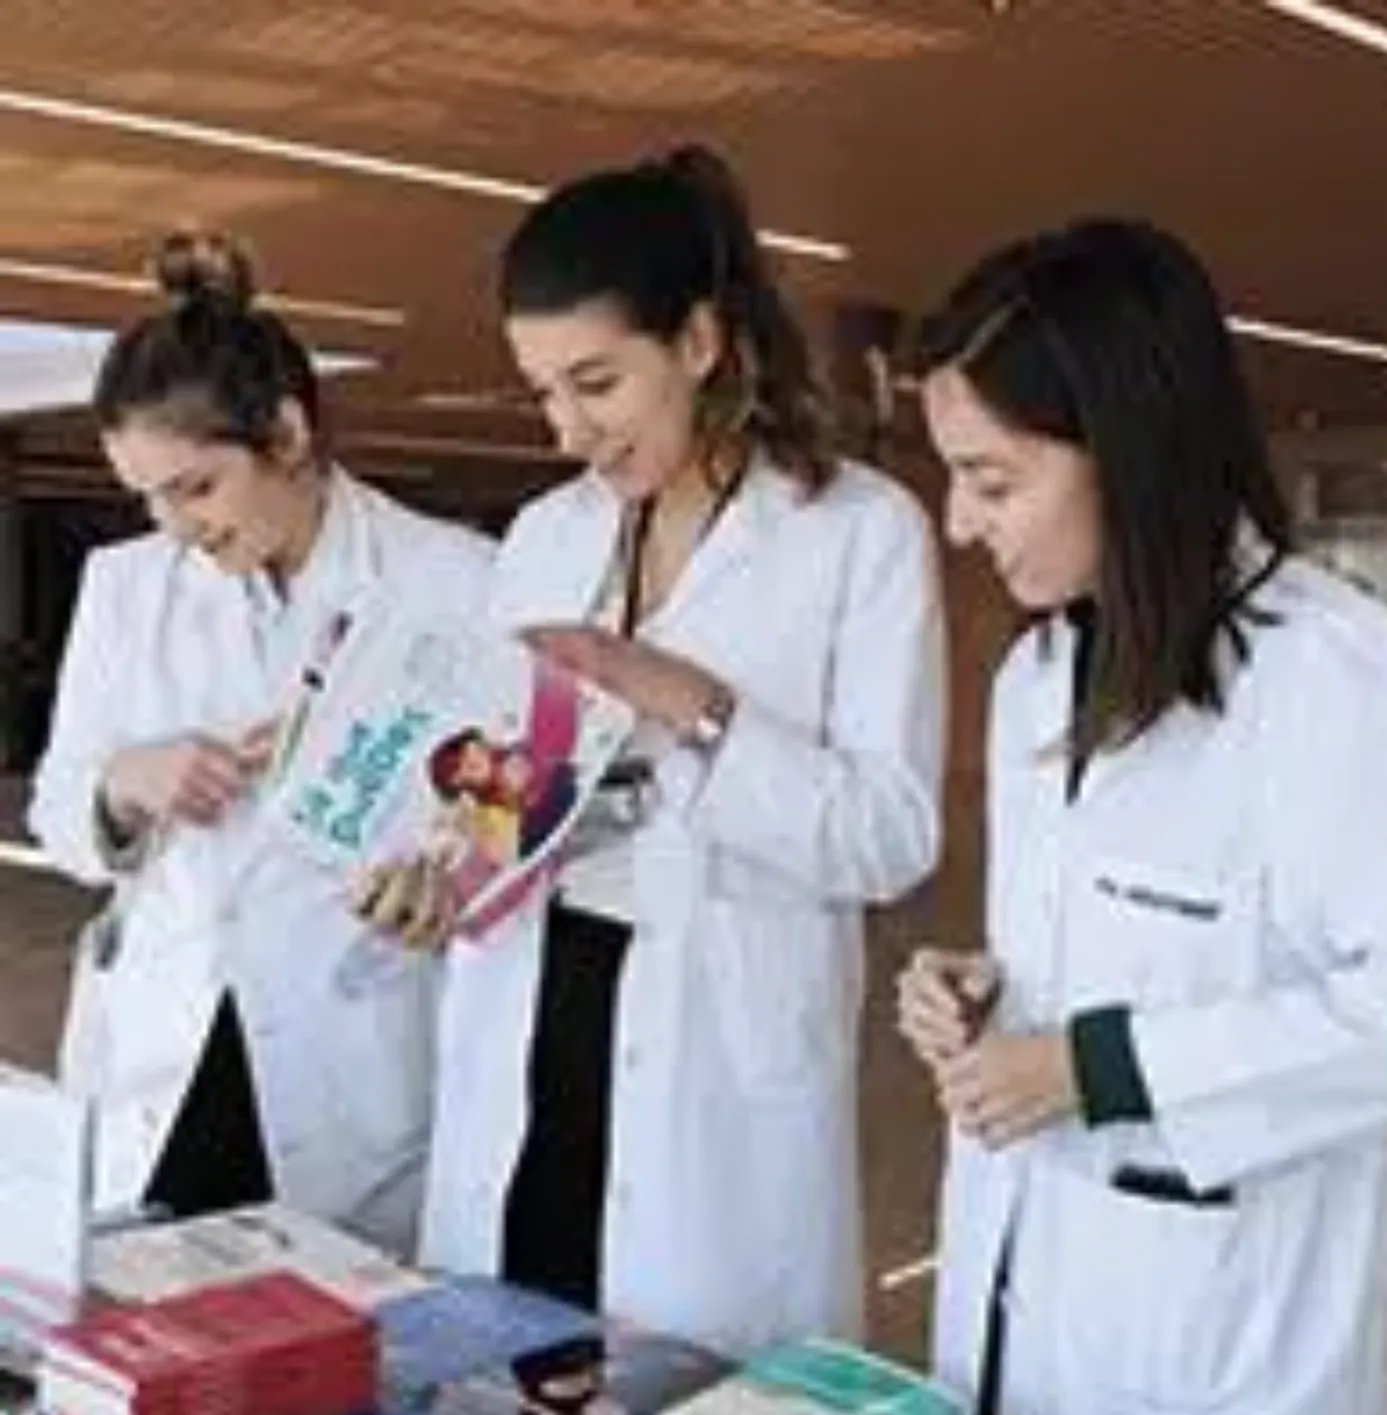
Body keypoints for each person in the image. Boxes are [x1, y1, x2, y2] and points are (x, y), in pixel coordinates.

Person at [360, 144, 947, 1351]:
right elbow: (497, 784)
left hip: (716, 1059)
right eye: (542, 391)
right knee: (509, 1355)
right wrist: (438, 870)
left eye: (597, 383)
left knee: (688, 1387)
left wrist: (688, 700)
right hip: (533, 1010)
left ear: (698, 341)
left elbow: (890, 839)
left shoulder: (859, 534)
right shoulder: (541, 535)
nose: (569, 428)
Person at [897, 218, 1387, 1415]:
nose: (958, 523)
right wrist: (984, 995)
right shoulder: (1037, 673)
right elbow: (1101, 951)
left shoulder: (1321, 671)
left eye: (992, 480)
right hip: (1017, 1305)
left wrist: (1100, 1067)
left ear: (1129, 453)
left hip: (1225, 1360)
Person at [29, 231, 495, 1252]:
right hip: (168, 1037)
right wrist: (124, 783)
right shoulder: (126, 587)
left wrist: (446, 879)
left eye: (196, 487)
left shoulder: (456, 584)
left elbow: (502, 810)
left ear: (285, 433)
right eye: (147, 495)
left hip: (353, 1043)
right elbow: (57, 810)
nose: (175, 526)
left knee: (331, 1352)